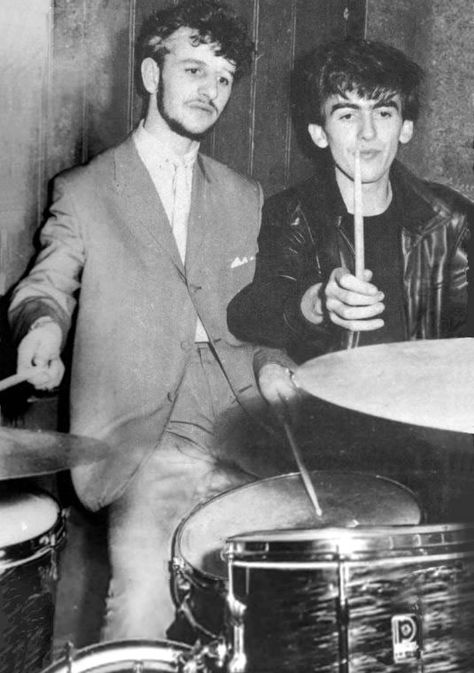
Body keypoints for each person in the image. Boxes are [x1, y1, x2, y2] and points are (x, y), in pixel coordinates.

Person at [8, 0, 265, 641]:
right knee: (147, 596)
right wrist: (42, 328)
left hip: (249, 419)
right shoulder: (86, 190)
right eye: (195, 69)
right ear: (152, 76)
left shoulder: (246, 193)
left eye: (225, 78)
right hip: (146, 425)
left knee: (290, 593)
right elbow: (46, 284)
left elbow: (266, 314)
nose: (211, 90)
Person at [227, 38, 474, 409]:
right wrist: (314, 303)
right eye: (347, 115)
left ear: (405, 128)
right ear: (319, 133)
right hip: (332, 430)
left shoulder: (451, 217)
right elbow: (248, 312)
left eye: (384, 113)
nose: (368, 132)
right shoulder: (292, 213)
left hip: (430, 427)